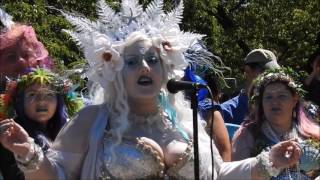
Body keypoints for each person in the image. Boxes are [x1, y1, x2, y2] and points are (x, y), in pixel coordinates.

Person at [0, 1, 302, 179]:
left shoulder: (186, 123)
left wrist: (267, 162)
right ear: (116, 70)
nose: (145, 67)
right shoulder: (92, 121)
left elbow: (218, 175)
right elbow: (55, 175)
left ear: (167, 68)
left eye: (153, 60)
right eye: (132, 61)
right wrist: (29, 153)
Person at [232, 68, 320, 179]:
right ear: (262, 103)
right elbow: (238, 176)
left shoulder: (314, 134)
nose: (275, 102)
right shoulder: (246, 135)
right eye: (268, 97)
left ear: (294, 100)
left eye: (282, 96)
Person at [0, 68, 83, 180]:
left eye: (49, 94)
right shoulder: (11, 137)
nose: (41, 100)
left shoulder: (73, 133)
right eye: (32, 94)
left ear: (59, 102)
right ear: (19, 102)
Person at [220, 48, 280, 125]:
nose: (272, 77)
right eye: (266, 72)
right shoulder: (225, 113)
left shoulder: (278, 110)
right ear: (248, 71)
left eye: (275, 72)